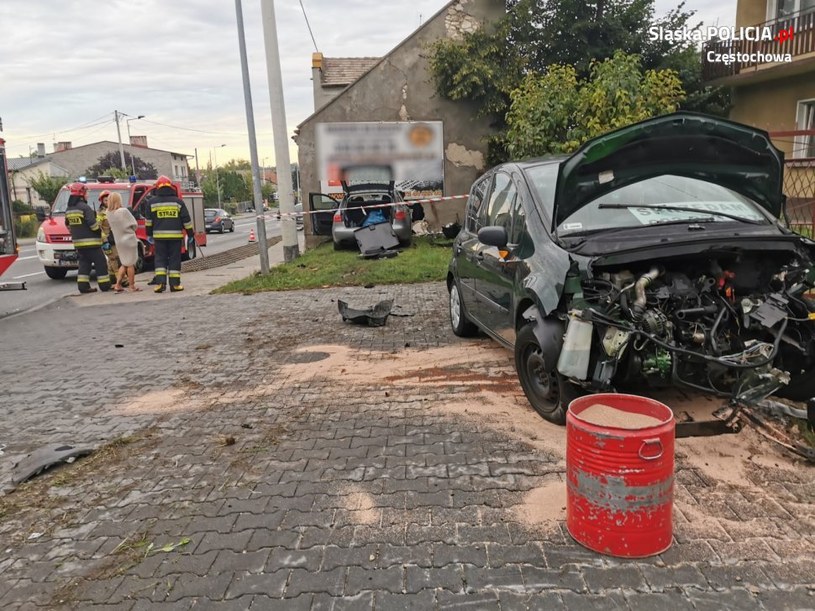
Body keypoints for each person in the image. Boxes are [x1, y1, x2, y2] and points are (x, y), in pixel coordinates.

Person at [145, 175, 193, 293]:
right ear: (170, 187)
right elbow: (186, 220)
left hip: (159, 238)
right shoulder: (178, 202)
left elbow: (148, 221)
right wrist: (190, 234)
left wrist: (149, 234)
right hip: (175, 237)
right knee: (174, 259)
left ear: (158, 187)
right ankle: (175, 285)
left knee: (160, 259)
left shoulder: (152, 202)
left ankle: (160, 284)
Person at [64, 182, 111, 293]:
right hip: (92, 243)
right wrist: (99, 230)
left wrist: (76, 233)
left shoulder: (69, 209)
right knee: (101, 262)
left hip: (78, 243)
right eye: (86, 193)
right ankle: (105, 285)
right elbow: (92, 224)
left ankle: (83, 286)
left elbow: (67, 225)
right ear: (81, 193)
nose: (87, 195)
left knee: (84, 264)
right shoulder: (85, 208)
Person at [107, 192, 141, 293]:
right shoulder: (124, 211)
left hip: (119, 241)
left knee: (124, 263)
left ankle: (117, 285)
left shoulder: (108, 213)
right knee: (130, 263)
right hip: (129, 240)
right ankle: (132, 286)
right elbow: (134, 224)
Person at [97, 190, 122, 286]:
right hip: (107, 240)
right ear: (102, 201)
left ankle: (112, 279)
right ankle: (122, 279)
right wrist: (104, 240)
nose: (107, 202)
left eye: (109, 200)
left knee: (114, 259)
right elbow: (99, 228)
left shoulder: (116, 210)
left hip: (116, 238)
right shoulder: (100, 214)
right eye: (105, 200)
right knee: (113, 258)